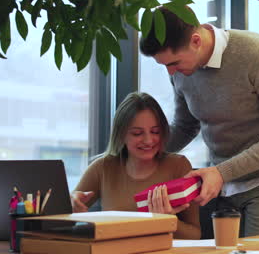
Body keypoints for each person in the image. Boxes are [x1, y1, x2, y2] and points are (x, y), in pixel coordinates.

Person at [139, 6, 259, 237]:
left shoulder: (256, 53)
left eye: (174, 63)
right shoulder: (179, 72)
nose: (170, 72)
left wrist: (221, 172)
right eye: (165, 65)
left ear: (196, 41)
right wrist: (144, 152)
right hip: (222, 186)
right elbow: (186, 126)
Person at [71, 92, 201, 239]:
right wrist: (71, 204)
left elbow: (195, 234)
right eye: (137, 133)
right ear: (121, 135)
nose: (148, 140)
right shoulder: (103, 167)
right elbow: (67, 212)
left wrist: (167, 221)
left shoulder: (178, 165)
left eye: (155, 132)